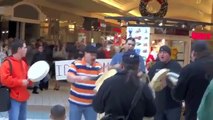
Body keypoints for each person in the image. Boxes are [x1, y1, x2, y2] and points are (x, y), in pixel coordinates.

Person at [93, 51, 156, 120]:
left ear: (121, 65)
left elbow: (97, 108)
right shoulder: (143, 87)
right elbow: (151, 112)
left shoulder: (108, 83)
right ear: (138, 66)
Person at [172, 41, 213, 120]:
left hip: (194, 114)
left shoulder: (189, 69)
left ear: (194, 53)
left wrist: (173, 87)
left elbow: (178, 95)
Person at [66, 45, 102, 120]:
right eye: (91, 54)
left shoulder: (98, 66)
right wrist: (80, 78)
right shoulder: (76, 64)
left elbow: (102, 79)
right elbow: (69, 77)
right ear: (85, 53)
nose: (93, 57)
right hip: (75, 102)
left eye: (95, 55)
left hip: (91, 104)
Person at [0, 39, 32, 120]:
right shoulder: (7, 63)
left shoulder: (23, 63)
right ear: (19, 49)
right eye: (24, 47)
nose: (26, 49)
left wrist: (34, 77)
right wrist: (21, 82)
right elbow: (4, 80)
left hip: (23, 96)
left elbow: (28, 79)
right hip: (13, 97)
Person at [148, 45, 182, 120]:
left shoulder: (176, 66)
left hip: (173, 106)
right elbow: (149, 81)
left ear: (169, 55)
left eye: (164, 52)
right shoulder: (156, 66)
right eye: (160, 52)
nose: (162, 54)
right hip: (158, 106)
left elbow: (180, 83)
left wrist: (168, 81)